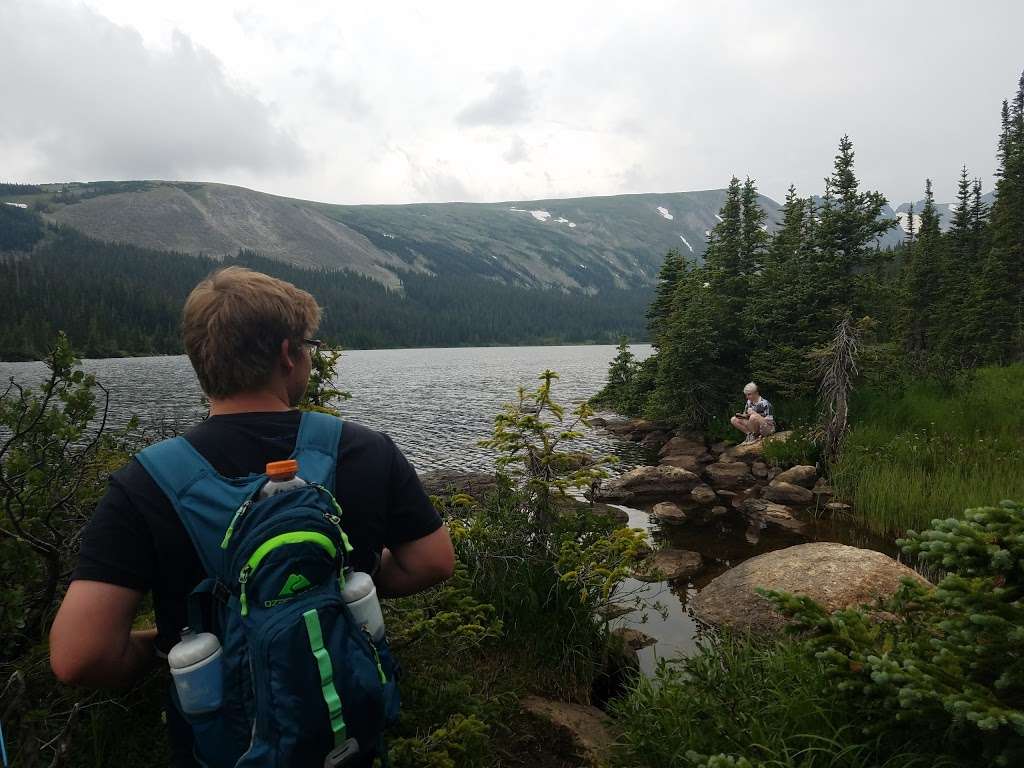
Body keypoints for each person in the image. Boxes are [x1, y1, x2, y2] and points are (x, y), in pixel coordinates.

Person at [49, 267, 455, 767]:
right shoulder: (365, 450)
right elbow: (432, 561)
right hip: (345, 740)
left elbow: (79, 656)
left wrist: (167, 644)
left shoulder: (146, 483)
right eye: (310, 345)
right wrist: (337, 586)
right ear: (288, 354)